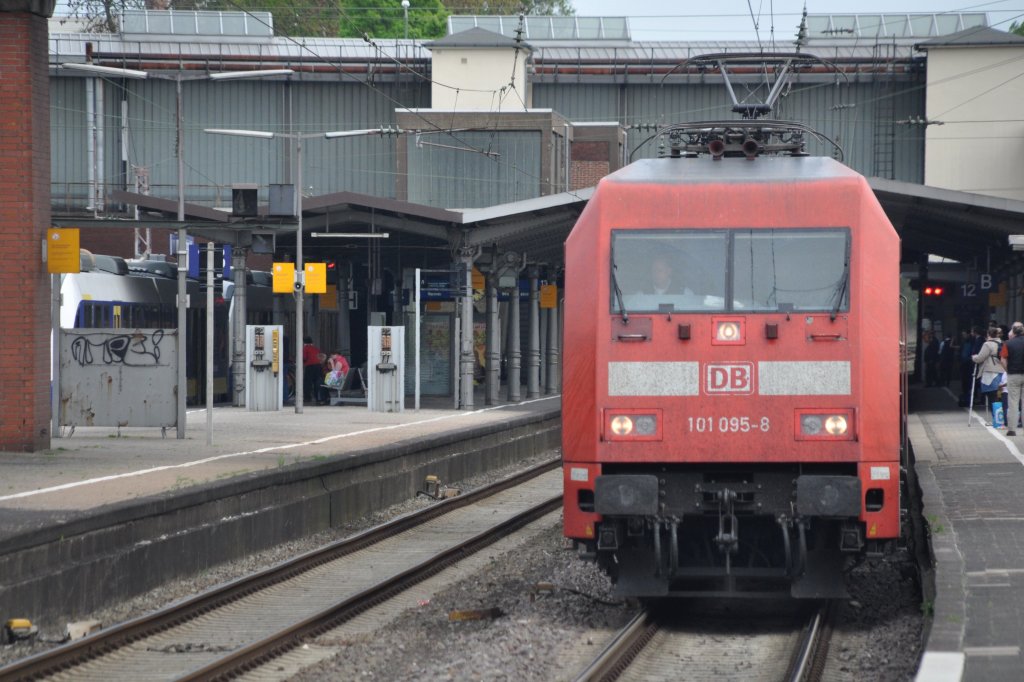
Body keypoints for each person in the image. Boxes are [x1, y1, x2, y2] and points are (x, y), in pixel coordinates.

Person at [972, 327, 1004, 416]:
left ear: (988, 334)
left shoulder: (987, 344)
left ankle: (996, 418)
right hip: (1002, 372)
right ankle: (1002, 417)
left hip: (990, 373)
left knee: (992, 396)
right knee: (1000, 396)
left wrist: (974, 357)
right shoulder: (1003, 343)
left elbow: (980, 358)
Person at [1001, 322, 1024, 436]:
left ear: (1013, 332)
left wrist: (1008, 370)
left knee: (1013, 402)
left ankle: (1012, 429)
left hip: (1013, 375)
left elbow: (1003, 360)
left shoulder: (1008, 344)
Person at [301, 336, 322, 404]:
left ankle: (307, 398)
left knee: (307, 383)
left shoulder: (305, 348)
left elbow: (304, 358)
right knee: (317, 382)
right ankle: (318, 397)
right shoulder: (316, 348)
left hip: (310, 366)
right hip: (318, 366)